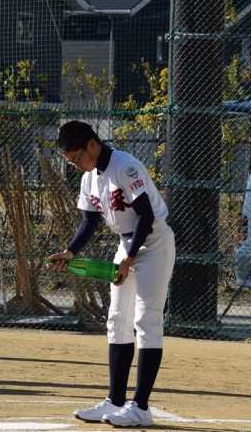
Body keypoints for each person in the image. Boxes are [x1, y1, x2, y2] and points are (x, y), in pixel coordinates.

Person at [47, 120, 176, 427]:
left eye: (77, 158)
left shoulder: (126, 167)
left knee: (147, 320)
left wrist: (128, 259)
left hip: (153, 244)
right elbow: (90, 221)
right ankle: (115, 401)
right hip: (126, 245)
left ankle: (140, 408)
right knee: (117, 321)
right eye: (71, 162)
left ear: (92, 145)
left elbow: (145, 215)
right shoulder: (89, 178)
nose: (76, 165)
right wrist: (70, 253)